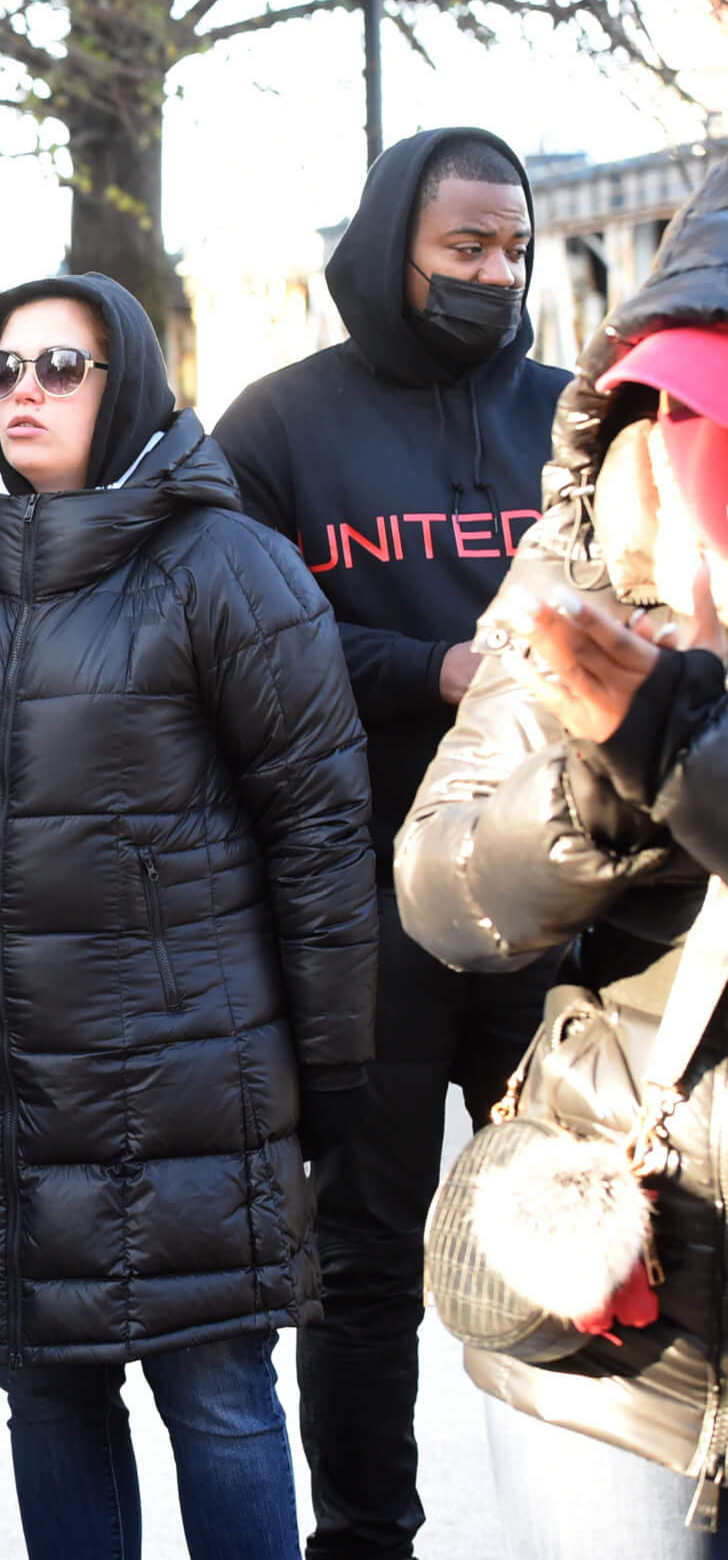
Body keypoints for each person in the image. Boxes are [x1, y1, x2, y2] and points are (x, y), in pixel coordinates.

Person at [0, 272, 378, 1560]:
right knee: (43, 1388)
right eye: (3, 368)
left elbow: (320, 835)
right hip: (0, 1092)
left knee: (214, 1390)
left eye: (62, 367)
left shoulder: (229, 569)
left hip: (192, 1087)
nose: (24, 392)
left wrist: (331, 1071)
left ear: (133, 384)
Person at [212, 125, 568, 1560]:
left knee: (584, 1250)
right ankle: (365, 1532)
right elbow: (237, 639)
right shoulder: (280, 426)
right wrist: (426, 673)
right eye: (464, 248)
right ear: (391, 248)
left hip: (565, 906)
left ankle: (593, 1522)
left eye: (516, 250)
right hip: (365, 907)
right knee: (362, 1258)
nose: (495, 273)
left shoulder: (576, 416)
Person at [396, 164, 728, 1558]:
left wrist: (678, 750)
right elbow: (442, 887)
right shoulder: (592, 562)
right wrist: (598, 785)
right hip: (632, 1274)